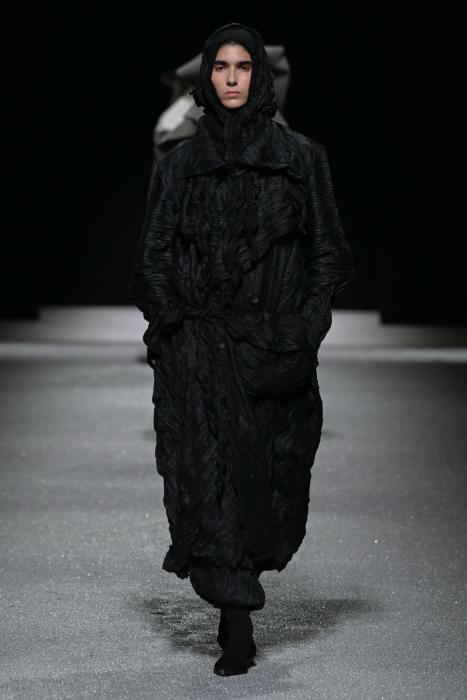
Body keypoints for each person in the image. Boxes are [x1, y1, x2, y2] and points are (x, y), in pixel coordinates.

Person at [126, 22, 355, 676]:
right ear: (206, 76)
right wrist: (172, 326)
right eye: (220, 67)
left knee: (269, 481)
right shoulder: (182, 163)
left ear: (260, 75)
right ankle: (236, 620)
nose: (230, 78)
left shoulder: (300, 158)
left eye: (242, 67)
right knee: (206, 482)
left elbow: (328, 254)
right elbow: (152, 254)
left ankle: (241, 589)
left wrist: (302, 330)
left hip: (271, 348)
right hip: (199, 351)